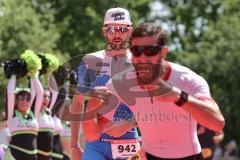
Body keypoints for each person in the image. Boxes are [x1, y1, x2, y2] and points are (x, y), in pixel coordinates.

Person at [93, 22, 225, 160]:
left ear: (163, 52)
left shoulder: (187, 80)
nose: (143, 58)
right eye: (137, 51)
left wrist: (178, 96)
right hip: (148, 155)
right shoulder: (121, 82)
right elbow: (93, 131)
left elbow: (217, 123)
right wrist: (91, 105)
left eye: (151, 50)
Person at [70, 7, 140, 160]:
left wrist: (129, 124)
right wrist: (74, 145)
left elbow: (151, 105)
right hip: (96, 144)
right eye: (112, 29)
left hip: (129, 141)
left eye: (122, 29)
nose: (117, 34)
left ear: (129, 31)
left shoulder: (139, 62)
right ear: (104, 31)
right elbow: (77, 103)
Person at [7, 73, 43, 160]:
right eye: (21, 98)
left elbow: (40, 93)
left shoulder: (34, 115)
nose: (25, 101)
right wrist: (14, 74)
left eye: (28, 99)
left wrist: (33, 74)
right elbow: (10, 92)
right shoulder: (12, 116)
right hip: (15, 157)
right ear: (16, 101)